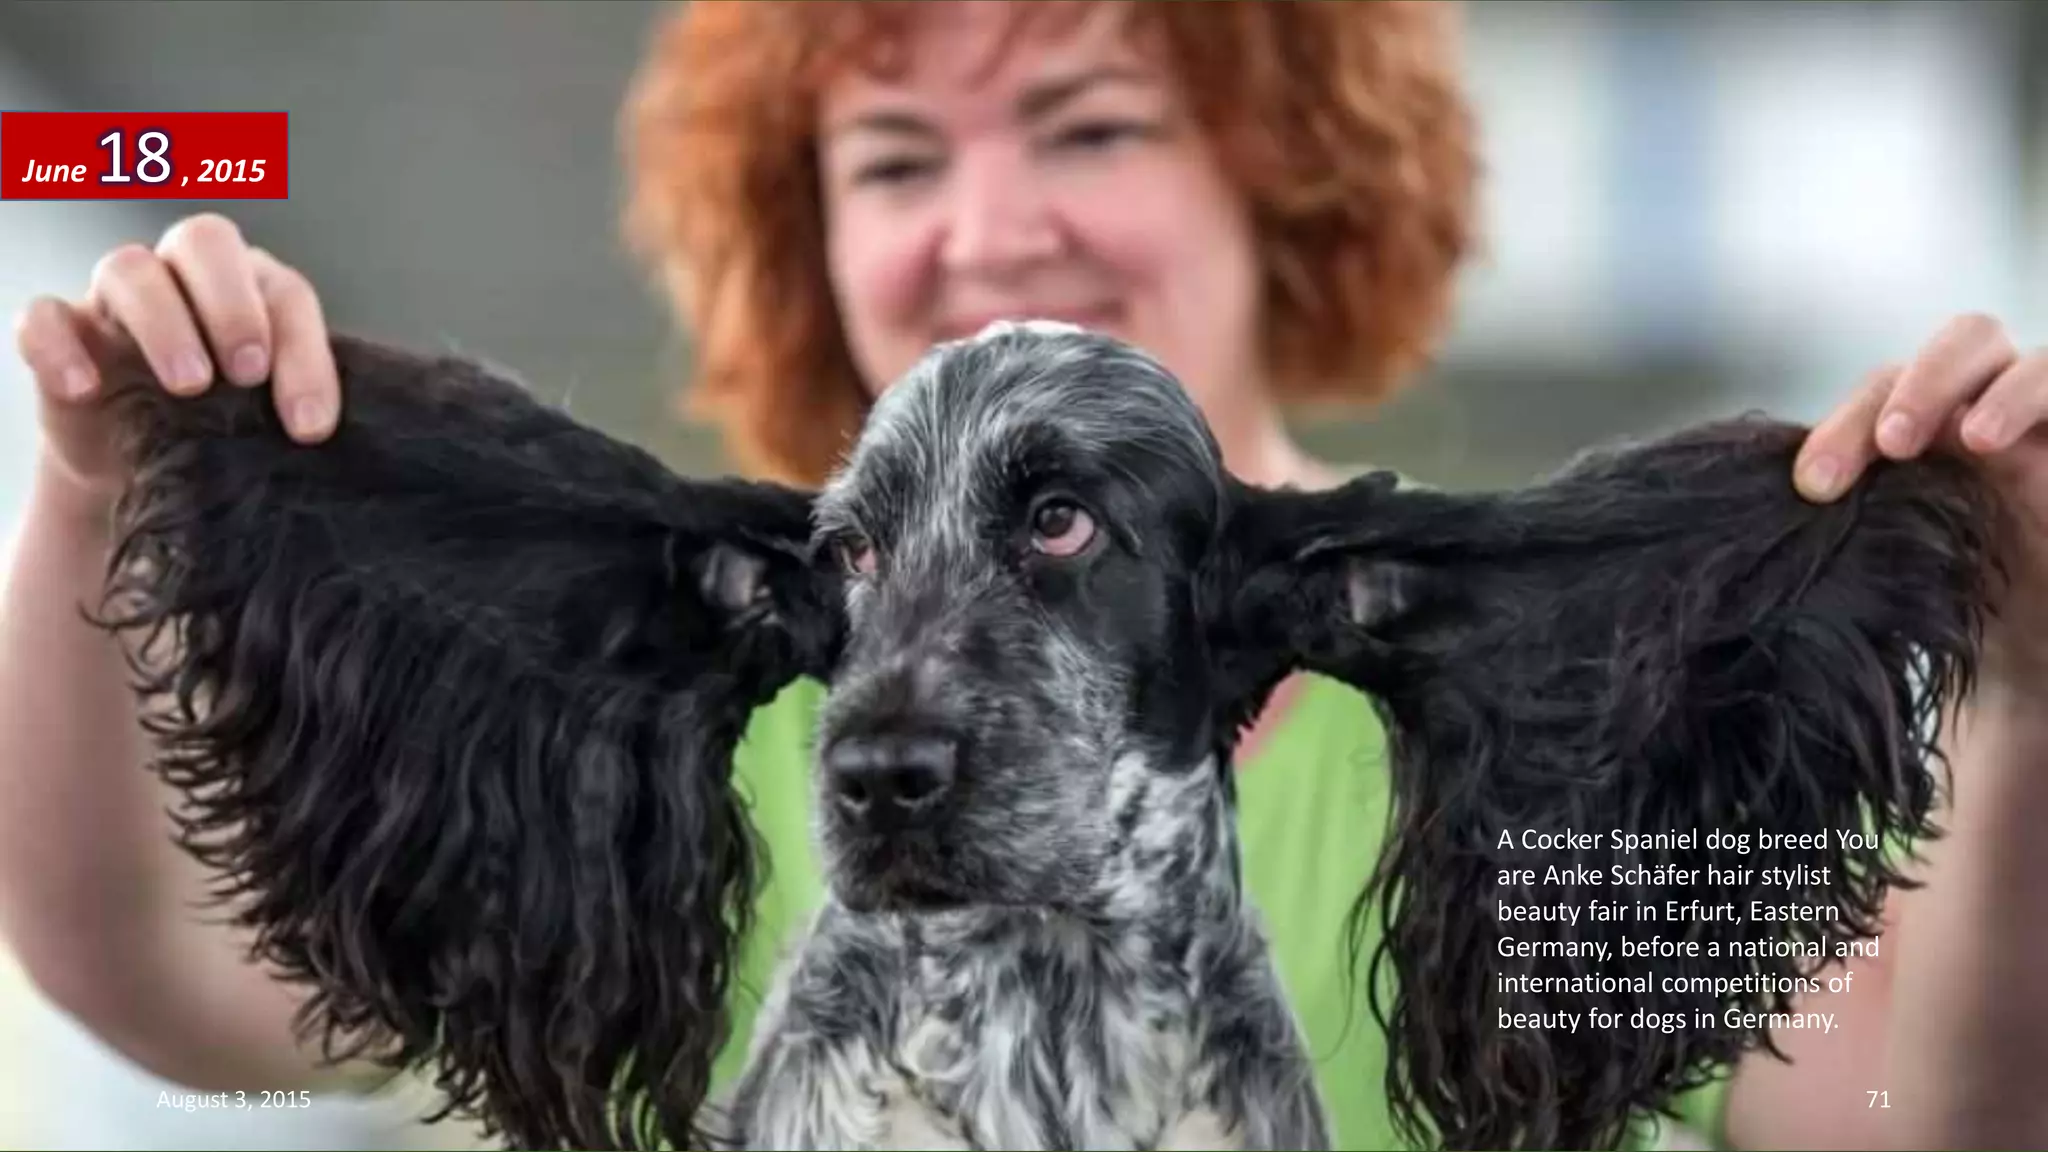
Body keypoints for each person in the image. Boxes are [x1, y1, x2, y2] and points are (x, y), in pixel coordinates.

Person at [7, 2, 2048, 1148]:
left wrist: (2034, 678)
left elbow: (1921, 1127)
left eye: (1082, 127)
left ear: (1287, 180)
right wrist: (109, 496)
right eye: (896, 161)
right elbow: (180, 991)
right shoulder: (663, 742)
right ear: (803, 232)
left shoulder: (1576, 731)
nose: (989, 223)